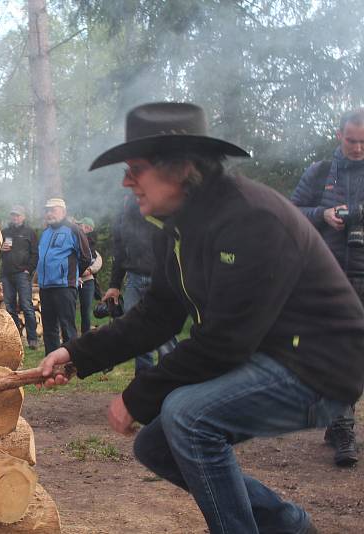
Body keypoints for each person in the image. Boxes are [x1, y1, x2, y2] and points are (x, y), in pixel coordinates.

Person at [38, 102, 364, 534]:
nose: (126, 180)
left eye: (136, 168)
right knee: (157, 446)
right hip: (274, 357)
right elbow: (158, 315)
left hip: (324, 366)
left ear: (180, 167)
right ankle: (287, 526)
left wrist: (139, 395)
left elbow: (227, 341)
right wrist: (76, 353)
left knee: (187, 417)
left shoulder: (251, 218)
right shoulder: (177, 227)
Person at [290, 108, 364, 468]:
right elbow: (291, 213)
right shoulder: (319, 172)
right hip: (328, 276)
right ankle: (344, 427)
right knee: (340, 354)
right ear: (339, 136)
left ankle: (336, 420)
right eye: (352, 140)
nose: (358, 147)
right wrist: (323, 215)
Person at [103, 195, 178, 373]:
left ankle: (171, 378)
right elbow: (120, 251)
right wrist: (114, 284)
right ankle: (143, 378)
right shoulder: (123, 212)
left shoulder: (161, 204)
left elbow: (176, 242)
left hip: (162, 277)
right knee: (136, 330)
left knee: (164, 330)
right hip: (134, 279)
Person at [36, 198, 91, 355]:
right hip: (45, 287)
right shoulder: (45, 233)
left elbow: (86, 256)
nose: (49, 213)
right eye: (47, 210)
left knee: (67, 327)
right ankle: (51, 363)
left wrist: (72, 274)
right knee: (49, 329)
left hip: (64, 287)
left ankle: (71, 361)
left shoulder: (73, 230)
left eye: (53, 209)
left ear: (63, 211)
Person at [0, 205, 39, 349]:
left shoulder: (30, 233)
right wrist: (1, 249)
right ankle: (15, 340)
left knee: (27, 306)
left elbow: (35, 254)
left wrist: (28, 270)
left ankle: (32, 339)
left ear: (23, 217)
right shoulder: (5, 232)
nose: (15, 217)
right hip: (6, 274)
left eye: (17, 215)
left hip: (22, 275)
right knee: (10, 308)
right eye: (13, 215)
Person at [75, 216, 103, 335]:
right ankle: (71, 336)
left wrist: (90, 270)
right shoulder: (74, 240)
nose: (79, 227)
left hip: (88, 280)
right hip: (74, 279)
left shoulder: (92, 245)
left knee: (85, 310)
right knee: (70, 309)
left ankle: (85, 335)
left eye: (81, 225)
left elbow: (98, 260)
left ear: (88, 228)